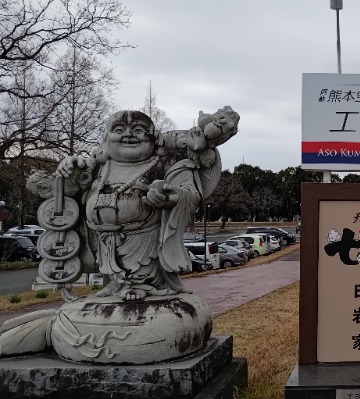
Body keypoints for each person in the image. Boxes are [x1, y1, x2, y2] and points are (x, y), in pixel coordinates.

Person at [56, 108, 238, 301]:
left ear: (154, 136)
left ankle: (144, 284)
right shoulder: (98, 167)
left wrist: (170, 196)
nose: (128, 134)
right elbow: (69, 195)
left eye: (138, 129)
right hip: (104, 244)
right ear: (107, 137)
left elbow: (190, 193)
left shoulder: (168, 163)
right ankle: (117, 284)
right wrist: (68, 170)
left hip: (146, 244)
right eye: (119, 129)